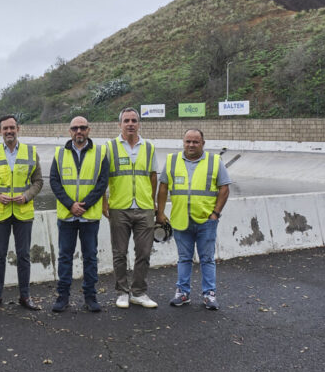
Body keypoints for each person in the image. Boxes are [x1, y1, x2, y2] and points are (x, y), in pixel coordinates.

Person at [156, 128, 232, 310]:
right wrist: (160, 213)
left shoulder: (214, 161)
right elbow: (163, 188)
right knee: (184, 258)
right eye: (188, 141)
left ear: (203, 143)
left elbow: (224, 188)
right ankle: (182, 293)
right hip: (181, 220)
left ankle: (209, 294)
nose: (191, 145)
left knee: (207, 259)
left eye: (195, 142)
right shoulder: (172, 160)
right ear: (183, 142)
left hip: (206, 220)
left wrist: (215, 213)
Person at [0, 114, 44, 311]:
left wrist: (27, 196)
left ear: (18, 129)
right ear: (0, 131)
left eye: (12, 128)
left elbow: (38, 181)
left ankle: (25, 296)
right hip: (0, 212)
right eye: (5, 128)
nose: (9, 131)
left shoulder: (31, 152)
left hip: (23, 212)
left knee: (24, 255)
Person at [102, 107, 161, 310]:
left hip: (144, 208)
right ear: (119, 124)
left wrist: (152, 202)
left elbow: (153, 176)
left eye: (133, 120)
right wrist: (104, 203)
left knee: (144, 252)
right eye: (126, 121)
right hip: (119, 207)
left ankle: (138, 292)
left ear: (139, 124)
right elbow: (103, 178)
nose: (130, 124)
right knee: (119, 253)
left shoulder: (149, 147)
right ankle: (122, 292)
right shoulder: (109, 147)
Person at [49, 116, 109, 313]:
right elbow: (54, 181)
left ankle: (90, 297)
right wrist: (70, 205)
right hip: (67, 216)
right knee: (65, 257)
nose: (79, 131)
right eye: (75, 128)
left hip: (88, 216)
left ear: (89, 130)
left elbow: (102, 182)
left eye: (82, 128)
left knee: (90, 257)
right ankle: (63, 297)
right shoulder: (60, 153)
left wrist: (85, 204)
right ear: (70, 131)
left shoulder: (100, 153)